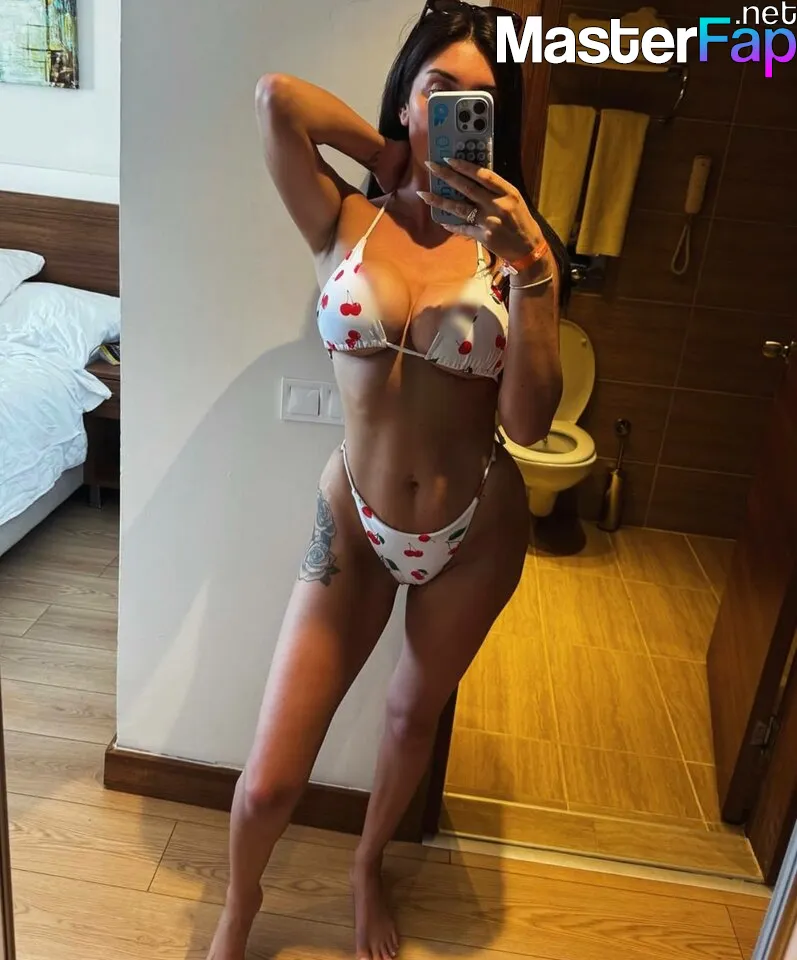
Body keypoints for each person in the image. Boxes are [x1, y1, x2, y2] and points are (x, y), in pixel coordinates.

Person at [208, 2, 569, 958]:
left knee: (411, 716)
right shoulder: (344, 218)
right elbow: (276, 100)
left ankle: (367, 867)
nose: (456, 116)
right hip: (355, 524)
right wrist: (385, 155)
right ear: (406, 101)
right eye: (439, 92)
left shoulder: (517, 251)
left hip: (475, 532)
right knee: (268, 782)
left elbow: (528, 424)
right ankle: (238, 910)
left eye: (479, 104)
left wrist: (533, 267)